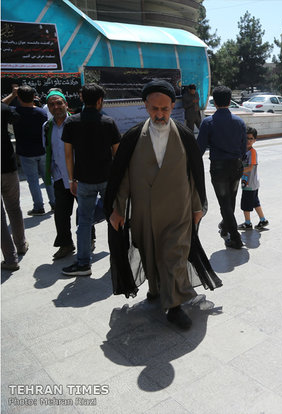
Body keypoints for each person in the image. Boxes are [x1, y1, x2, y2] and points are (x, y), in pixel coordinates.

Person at [106, 79, 213, 330]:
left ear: (172, 106)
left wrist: (197, 207)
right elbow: (122, 178)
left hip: (178, 212)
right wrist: (118, 210)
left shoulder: (185, 136)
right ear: (145, 106)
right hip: (145, 214)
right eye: (155, 109)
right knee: (151, 255)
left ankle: (174, 307)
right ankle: (156, 290)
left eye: (165, 109)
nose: (160, 114)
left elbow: (194, 176)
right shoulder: (132, 138)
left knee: (173, 257)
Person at [62, 84, 120, 276]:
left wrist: (71, 180)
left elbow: (68, 155)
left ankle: (83, 263)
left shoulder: (71, 123)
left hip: (83, 180)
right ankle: (119, 258)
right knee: (115, 218)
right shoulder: (108, 122)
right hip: (107, 178)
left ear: (81, 98)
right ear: (100, 101)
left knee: (84, 222)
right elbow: (117, 153)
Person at [197, 85, 246, 249]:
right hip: (237, 165)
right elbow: (243, 147)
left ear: (215, 102)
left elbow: (199, 149)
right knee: (230, 198)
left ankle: (236, 238)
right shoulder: (239, 122)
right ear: (230, 101)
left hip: (219, 167)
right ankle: (226, 226)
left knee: (224, 202)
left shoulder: (208, 122)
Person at [43, 89, 87, 260]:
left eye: (59, 103)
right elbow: (48, 150)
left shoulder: (77, 122)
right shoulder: (47, 127)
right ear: (48, 107)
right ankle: (65, 244)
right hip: (60, 176)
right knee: (61, 214)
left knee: (84, 211)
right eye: (52, 104)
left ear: (66, 104)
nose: (56, 107)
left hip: (80, 176)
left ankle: (88, 240)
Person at [10, 85, 55, 215]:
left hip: (26, 152)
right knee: (48, 178)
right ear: (34, 96)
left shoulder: (15, 112)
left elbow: (2, 106)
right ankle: (54, 203)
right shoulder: (41, 112)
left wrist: (12, 95)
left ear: (19, 98)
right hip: (42, 150)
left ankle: (38, 206)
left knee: (33, 181)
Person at [1, 103, 28, 270]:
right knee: (14, 208)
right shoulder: (3, 109)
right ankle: (21, 244)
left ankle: (11, 259)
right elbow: (17, 117)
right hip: (8, 167)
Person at [237, 127, 269, 230]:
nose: (248, 141)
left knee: (245, 204)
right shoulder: (245, 151)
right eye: (246, 138)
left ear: (255, 140)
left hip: (250, 184)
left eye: (251, 138)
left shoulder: (253, 152)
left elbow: (250, 167)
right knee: (255, 202)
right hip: (251, 183)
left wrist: (238, 172)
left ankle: (247, 223)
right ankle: (263, 220)